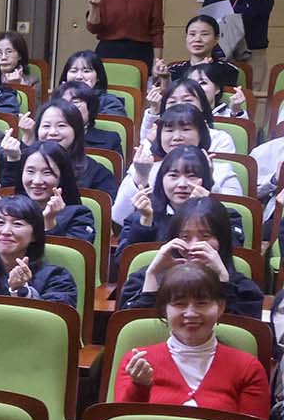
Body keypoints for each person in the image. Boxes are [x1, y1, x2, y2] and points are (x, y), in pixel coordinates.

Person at [115, 261, 267, 418]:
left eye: (202, 303)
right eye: (179, 304)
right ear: (164, 310)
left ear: (220, 307)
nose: (191, 313)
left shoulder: (247, 368)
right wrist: (139, 386)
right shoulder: (137, 364)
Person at [116, 196, 263, 318]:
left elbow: (240, 336)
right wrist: (152, 277)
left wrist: (223, 280)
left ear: (222, 240)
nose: (194, 246)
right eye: (185, 237)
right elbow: (132, 330)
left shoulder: (244, 290)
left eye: (205, 236)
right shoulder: (142, 279)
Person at [114, 100, 242, 222]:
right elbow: (119, 217)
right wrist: (141, 177)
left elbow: (231, 222)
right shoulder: (145, 168)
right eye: (169, 130)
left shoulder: (223, 171)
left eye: (186, 129)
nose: (176, 137)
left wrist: (210, 181)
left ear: (202, 133)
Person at [109, 145, 229, 273]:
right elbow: (123, 262)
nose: (182, 184)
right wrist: (145, 222)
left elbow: (232, 258)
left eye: (191, 176)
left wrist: (206, 212)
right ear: (161, 180)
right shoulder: (141, 216)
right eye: (173, 176)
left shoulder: (228, 217)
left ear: (206, 180)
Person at [0, 141, 93, 243]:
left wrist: (50, 224)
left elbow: (69, 259)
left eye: (47, 173)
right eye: (30, 171)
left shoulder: (79, 216)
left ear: (62, 176)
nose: (37, 181)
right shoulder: (7, 209)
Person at [9, 101, 116, 195]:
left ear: (77, 130)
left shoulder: (98, 174)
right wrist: (13, 160)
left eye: (61, 126)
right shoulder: (25, 164)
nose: (52, 133)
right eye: (46, 126)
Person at [205, 0, 271, 88]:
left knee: (248, 98)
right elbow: (206, 26)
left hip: (252, 56)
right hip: (220, 55)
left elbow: (259, 11)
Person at [161, 14, 240, 92]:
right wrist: (164, 80)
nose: (197, 39)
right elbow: (169, 100)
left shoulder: (227, 69)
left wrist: (198, 69)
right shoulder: (174, 70)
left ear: (216, 39)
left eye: (204, 34)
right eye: (192, 34)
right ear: (186, 38)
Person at [58, 49, 132, 117]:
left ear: (98, 77)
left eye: (86, 71)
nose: (79, 77)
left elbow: (111, 129)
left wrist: (88, 97)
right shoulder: (57, 100)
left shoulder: (110, 103)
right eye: (74, 71)